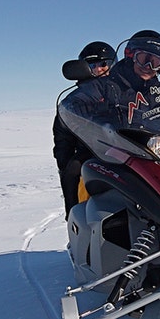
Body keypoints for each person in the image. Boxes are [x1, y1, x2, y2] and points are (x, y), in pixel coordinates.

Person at [53, 41, 117, 219]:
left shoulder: (127, 92)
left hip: (133, 149)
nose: (99, 69)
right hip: (92, 153)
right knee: (73, 169)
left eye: (103, 64)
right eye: (92, 65)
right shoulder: (74, 101)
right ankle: (77, 219)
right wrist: (65, 163)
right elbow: (62, 139)